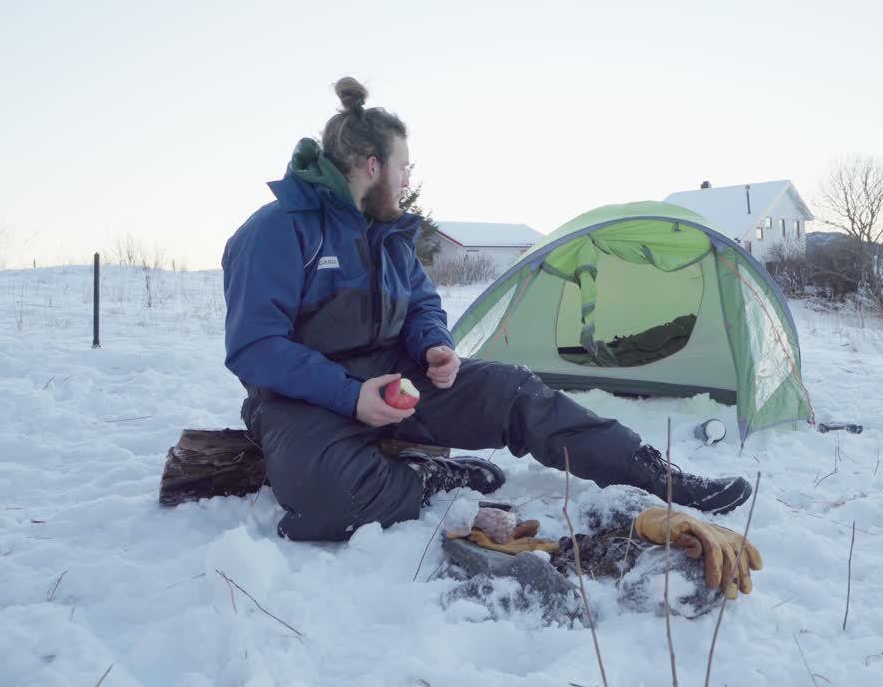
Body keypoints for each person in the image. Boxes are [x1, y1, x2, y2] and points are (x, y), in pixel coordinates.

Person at [222, 77, 752, 543]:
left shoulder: (390, 237)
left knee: (517, 392)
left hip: (393, 382)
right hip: (304, 399)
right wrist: (347, 394)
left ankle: (653, 473)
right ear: (372, 165)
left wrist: (434, 344)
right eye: (404, 167)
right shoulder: (279, 229)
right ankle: (431, 477)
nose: (407, 181)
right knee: (329, 504)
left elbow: (422, 306)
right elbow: (255, 346)